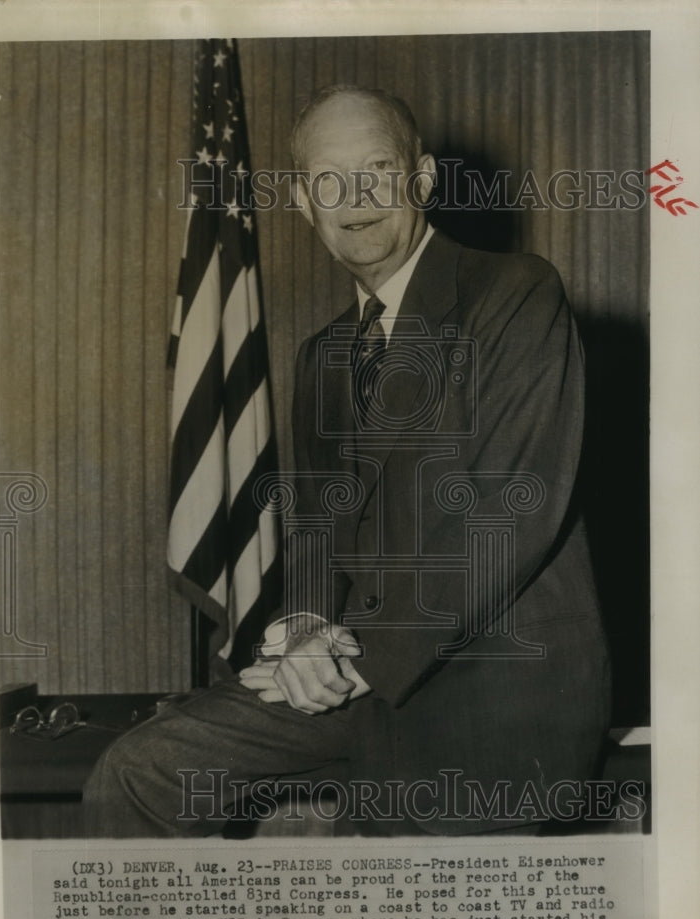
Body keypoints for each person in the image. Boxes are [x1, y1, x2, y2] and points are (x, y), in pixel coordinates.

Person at [83, 84, 611, 837]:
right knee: (138, 771)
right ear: (303, 200)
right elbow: (321, 531)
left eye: (376, 169)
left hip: (491, 698)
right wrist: (302, 627)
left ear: (420, 180)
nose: (353, 196)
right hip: (355, 679)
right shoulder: (324, 353)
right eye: (328, 178)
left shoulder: (513, 293)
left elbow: (509, 512)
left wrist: (351, 662)